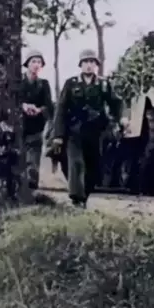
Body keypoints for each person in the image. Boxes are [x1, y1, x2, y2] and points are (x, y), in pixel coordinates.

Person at [50, 49, 127, 208]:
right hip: (75, 131)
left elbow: (116, 103)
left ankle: (85, 196)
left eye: (92, 62)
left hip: (95, 132)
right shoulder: (71, 84)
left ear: (96, 65)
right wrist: (58, 135)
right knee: (76, 163)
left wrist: (122, 118)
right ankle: (76, 197)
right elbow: (61, 110)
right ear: (81, 64)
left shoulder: (103, 84)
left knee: (94, 166)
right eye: (86, 62)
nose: (89, 65)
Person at [21, 50, 53, 189]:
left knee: (33, 162)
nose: (36, 65)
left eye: (39, 62)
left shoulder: (43, 84)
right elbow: (11, 100)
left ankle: (32, 188)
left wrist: (38, 110)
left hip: (35, 127)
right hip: (19, 125)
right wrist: (23, 106)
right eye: (33, 61)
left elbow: (48, 106)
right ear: (27, 64)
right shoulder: (19, 82)